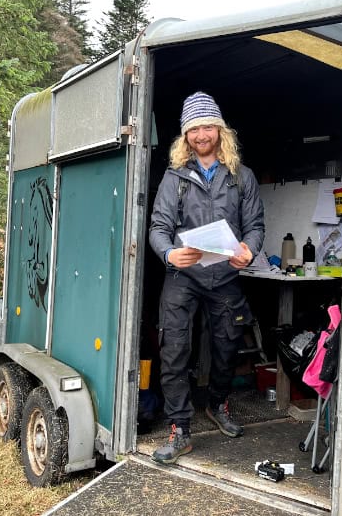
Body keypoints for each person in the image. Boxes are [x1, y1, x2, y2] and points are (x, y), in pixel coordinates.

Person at [148, 91, 265, 464]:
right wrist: (169, 253)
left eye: (207, 126)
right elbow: (157, 227)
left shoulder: (241, 177)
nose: (201, 134)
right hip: (183, 277)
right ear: (186, 137)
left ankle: (218, 404)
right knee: (175, 350)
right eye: (193, 129)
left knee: (227, 345)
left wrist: (249, 250)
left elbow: (256, 226)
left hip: (225, 277)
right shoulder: (174, 178)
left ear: (220, 131)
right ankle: (180, 428)